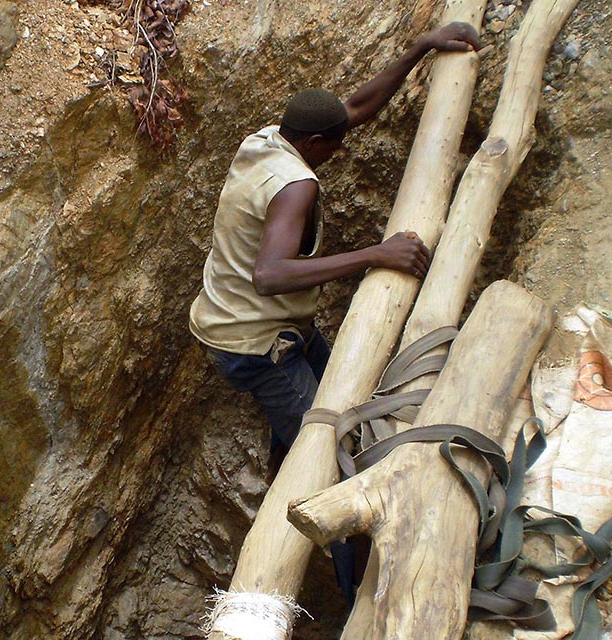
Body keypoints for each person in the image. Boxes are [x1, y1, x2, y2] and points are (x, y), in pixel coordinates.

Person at [189, 22, 480, 604]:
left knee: (326, 407)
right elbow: (269, 274)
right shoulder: (294, 186)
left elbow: (353, 107)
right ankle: (353, 589)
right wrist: (377, 253)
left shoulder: (272, 137)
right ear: (316, 144)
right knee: (332, 456)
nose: (342, 146)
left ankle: (280, 468)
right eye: (336, 143)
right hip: (258, 343)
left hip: (250, 324)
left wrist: (420, 49)